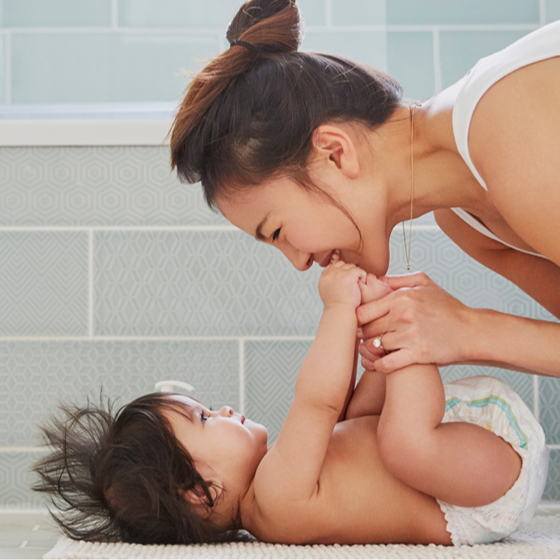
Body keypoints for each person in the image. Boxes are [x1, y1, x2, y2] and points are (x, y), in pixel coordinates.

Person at [34, 258, 549, 546]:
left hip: (461, 459)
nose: (226, 410)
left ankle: (394, 343)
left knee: (360, 421)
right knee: (397, 443)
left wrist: (362, 350)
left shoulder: (277, 495)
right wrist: (338, 309)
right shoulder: (275, 503)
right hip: (485, 486)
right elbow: (317, 402)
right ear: (198, 490)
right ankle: (408, 344)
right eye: (207, 418)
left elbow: (339, 412)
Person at [169, 0, 560, 377]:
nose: (299, 262)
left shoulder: (504, 127)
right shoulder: (462, 221)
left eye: (277, 232)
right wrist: (444, 338)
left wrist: (468, 329)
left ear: (334, 153)